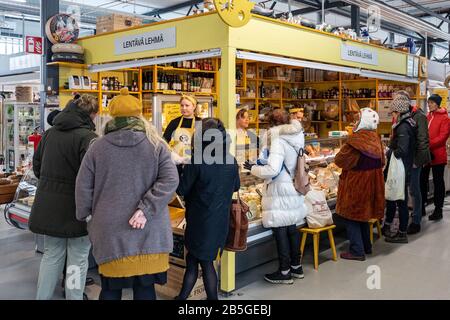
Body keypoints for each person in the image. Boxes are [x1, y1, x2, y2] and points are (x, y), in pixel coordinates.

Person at [75, 88, 179, 300]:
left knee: (111, 290)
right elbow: (170, 180)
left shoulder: (97, 147)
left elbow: (83, 186)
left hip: (110, 232)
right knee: (145, 290)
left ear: (112, 115)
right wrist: (145, 209)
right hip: (149, 232)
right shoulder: (156, 144)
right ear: (139, 114)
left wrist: (86, 216)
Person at [29, 95, 99, 300]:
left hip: (48, 207)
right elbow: (91, 176)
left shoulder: (49, 133)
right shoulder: (88, 137)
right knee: (77, 258)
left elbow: (37, 168)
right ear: (92, 114)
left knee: (51, 256)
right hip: (77, 208)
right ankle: (74, 297)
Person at [176, 118, 240, 300]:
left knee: (203, 263)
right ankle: (181, 298)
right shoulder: (231, 160)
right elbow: (236, 186)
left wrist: (180, 169)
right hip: (220, 221)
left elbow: (181, 189)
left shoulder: (197, 161)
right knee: (195, 261)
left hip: (199, 222)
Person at [244, 109, 306, 284]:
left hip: (280, 189)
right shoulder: (296, 136)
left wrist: (253, 169)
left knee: (280, 230)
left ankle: (284, 272)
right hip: (292, 187)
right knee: (291, 228)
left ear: (272, 124)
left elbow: (272, 169)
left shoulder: (278, 140)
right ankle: (296, 267)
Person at [335, 108, 385, 260]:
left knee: (351, 216)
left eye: (358, 119)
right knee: (363, 215)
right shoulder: (376, 139)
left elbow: (339, 160)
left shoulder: (355, 141)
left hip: (356, 184)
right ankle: (366, 246)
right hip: (372, 183)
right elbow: (382, 160)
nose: (355, 122)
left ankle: (357, 251)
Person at [393, 91, 431, 235]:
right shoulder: (400, 115)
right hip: (403, 159)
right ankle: (410, 216)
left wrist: (418, 161)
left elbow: (423, 140)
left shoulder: (419, 116)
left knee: (414, 190)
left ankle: (416, 221)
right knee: (406, 190)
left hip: (414, 159)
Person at [382, 94, 417, 244]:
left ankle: (402, 233)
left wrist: (389, 151)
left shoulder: (403, 126)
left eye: (395, 113)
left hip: (401, 168)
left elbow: (401, 150)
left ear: (400, 112)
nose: (394, 116)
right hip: (403, 167)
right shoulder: (408, 122)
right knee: (394, 198)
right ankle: (388, 225)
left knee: (401, 200)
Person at [421, 94, 450, 221]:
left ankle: (438, 210)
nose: (429, 104)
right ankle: (421, 207)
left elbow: (443, 137)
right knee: (422, 180)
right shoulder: (428, 116)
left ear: (437, 104)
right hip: (426, 154)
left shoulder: (445, 118)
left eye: (432, 102)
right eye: (428, 102)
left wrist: (427, 144)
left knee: (438, 183)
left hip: (438, 155)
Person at [163, 95, 201, 160]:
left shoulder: (200, 122)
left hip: (195, 162)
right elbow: (164, 142)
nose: (184, 108)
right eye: (182, 105)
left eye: (187, 105)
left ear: (194, 106)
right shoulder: (174, 122)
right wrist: (171, 154)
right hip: (178, 162)